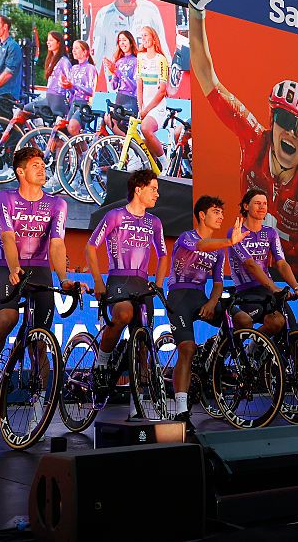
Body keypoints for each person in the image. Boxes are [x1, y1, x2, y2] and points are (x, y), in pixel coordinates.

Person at [189, 0, 298, 270]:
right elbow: (206, 75)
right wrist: (196, 9)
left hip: (294, 264)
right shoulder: (254, 137)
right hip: (251, 251)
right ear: (272, 120)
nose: (292, 132)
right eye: (287, 119)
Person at [0, 147, 74, 411]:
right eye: (35, 165)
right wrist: (15, 268)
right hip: (10, 266)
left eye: (43, 164)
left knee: (40, 338)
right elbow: (7, 236)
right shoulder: (4, 197)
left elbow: (57, 245)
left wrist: (63, 279)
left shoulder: (57, 203)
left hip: (40, 269)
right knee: (8, 318)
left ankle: (39, 403)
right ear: (20, 172)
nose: (42, 169)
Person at [86, 169, 170, 416]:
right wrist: (98, 281)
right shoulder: (115, 216)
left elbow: (163, 254)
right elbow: (91, 247)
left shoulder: (155, 222)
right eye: (153, 188)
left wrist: (159, 283)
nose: (157, 193)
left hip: (143, 283)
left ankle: (137, 405)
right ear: (138, 189)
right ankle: (101, 362)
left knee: (143, 340)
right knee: (123, 314)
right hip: (118, 277)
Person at [166, 196, 249, 425]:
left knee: (242, 319)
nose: (221, 216)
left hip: (202, 297)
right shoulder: (187, 237)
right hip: (179, 298)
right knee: (187, 348)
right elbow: (202, 245)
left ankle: (216, 352)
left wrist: (212, 303)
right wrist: (230, 241)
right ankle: (182, 408)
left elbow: (219, 284)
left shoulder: (219, 249)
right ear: (202, 215)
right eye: (215, 211)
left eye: (222, 212)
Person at [228, 189, 298, 339]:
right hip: (246, 292)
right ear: (246, 206)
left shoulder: (270, 232)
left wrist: (296, 287)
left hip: (267, 290)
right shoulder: (235, 232)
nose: (262, 207)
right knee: (276, 322)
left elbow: (281, 263)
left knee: (294, 335)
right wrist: (274, 288)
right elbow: (250, 265)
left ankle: (262, 351)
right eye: (257, 203)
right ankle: (251, 349)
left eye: (265, 204)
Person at [92, 0, 167, 83]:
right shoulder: (103, 15)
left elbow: (163, 49)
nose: (122, 43)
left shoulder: (150, 9)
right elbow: (95, 62)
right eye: (120, 41)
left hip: (147, 88)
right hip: (117, 92)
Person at [135, 26, 171, 168]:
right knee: (145, 142)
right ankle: (153, 169)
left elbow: (162, 91)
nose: (143, 39)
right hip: (144, 107)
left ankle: (165, 164)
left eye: (146, 35)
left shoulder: (160, 59)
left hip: (157, 108)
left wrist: (147, 109)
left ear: (153, 38)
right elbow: (139, 86)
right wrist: (141, 107)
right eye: (141, 36)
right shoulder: (140, 58)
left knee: (145, 128)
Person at [24, 31, 73, 119]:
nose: (48, 43)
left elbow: (70, 81)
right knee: (26, 109)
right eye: (47, 40)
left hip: (58, 98)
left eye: (51, 40)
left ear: (58, 43)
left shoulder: (64, 61)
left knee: (57, 126)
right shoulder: (51, 60)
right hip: (48, 97)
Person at [102, 30, 139, 133]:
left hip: (131, 99)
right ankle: (125, 144)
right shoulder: (119, 61)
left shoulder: (136, 61)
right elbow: (113, 86)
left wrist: (117, 71)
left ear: (131, 42)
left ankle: (129, 146)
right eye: (119, 40)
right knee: (107, 119)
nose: (122, 43)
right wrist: (111, 72)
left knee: (123, 126)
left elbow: (134, 86)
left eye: (124, 40)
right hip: (120, 98)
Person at [61, 40, 100, 136]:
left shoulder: (90, 68)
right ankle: (79, 151)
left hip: (85, 105)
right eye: (73, 48)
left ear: (85, 52)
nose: (73, 51)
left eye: (77, 48)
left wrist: (73, 85)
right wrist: (67, 86)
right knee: (63, 132)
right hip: (73, 104)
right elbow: (73, 91)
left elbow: (91, 91)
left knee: (72, 128)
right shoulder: (74, 68)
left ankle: (85, 151)